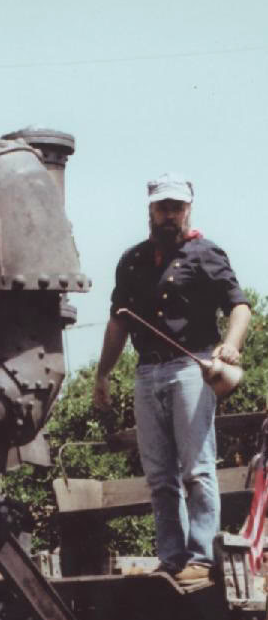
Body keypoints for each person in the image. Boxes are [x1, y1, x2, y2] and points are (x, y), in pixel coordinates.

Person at [94, 173, 250, 582]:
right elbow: (118, 322)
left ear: (188, 209)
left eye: (176, 208)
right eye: (163, 207)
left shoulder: (206, 253)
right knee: (159, 475)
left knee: (197, 468)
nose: (169, 215)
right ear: (150, 210)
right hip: (146, 372)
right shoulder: (132, 261)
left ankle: (201, 558)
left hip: (192, 367)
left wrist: (231, 345)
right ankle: (172, 558)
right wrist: (102, 375)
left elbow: (240, 307)